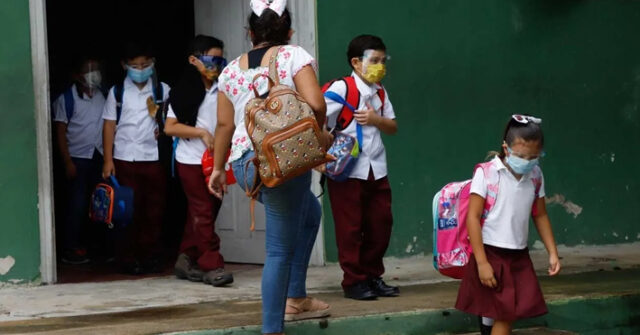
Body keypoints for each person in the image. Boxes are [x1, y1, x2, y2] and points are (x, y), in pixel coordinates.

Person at [207, 0, 333, 333]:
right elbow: (317, 103)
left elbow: (223, 126)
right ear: (288, 30)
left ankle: (296, 296)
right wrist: (318, 137)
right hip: (281, 159)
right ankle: (272, 328)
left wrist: (219, 169)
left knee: (310, 213)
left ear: (250, 33)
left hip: (244, 163)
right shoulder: (293, 56)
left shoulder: (231, 70)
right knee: (278, 249)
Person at [455, 115, 561, 335]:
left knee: (503, 311)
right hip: (491, 252)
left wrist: (553, 252)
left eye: (534, 156)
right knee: (504, 313)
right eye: (521, 156)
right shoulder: (486, 173)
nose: (527, 161)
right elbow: (473, 218)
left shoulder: (535, 175)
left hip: (519, 256)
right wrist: (482, 263)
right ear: (506, 148)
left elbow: (539, 215)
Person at [322, 35, 399, 300]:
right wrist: (321, 156)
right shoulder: (341, 89)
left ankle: (372, 276)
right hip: (347, 170)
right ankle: (354, 281)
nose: (380, 66)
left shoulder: (380, 91)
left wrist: (375, 119)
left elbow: (393, 126)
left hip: (376, 168)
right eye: (374, 60)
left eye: (382, 60)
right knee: (350, 228)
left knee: (381, 224)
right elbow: (314, 117)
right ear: (356, 62)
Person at [164, 35, 233, 287]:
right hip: (190, 161)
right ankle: (212, 265)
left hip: (218, 162)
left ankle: (186, 258)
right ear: (194, 60)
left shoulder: (225, 88)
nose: (216, 65)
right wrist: (202, 133)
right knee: (203, 212)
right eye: (211, 59)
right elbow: (170, 128)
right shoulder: (182, 91)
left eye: (220, 59)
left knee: (206, 212)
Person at [101, 42, 170, 275]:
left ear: (152, 64)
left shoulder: (162, 90)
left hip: (153, 157)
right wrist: (107, 160)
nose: (140, 69)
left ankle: (149, 254)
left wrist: (164, 128)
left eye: (144, 64)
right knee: (128, 211)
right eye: (134, 65)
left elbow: (172, 122)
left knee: (154, 209)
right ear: (124, 66)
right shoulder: (117, 92)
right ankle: (127, 257)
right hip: (123, 158)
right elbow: (109, 125)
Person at [52, 56, 106, 264]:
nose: (94, 74)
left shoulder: (104, 95)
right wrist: (67, 162)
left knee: (100, 205)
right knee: (76, 205)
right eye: (89, 70)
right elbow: (60, 132)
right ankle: (71, 248)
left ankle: (96, 246)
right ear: (77, 75)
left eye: (97, 69)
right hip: (77, 159)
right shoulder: (66, 99)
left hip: (98, 157)